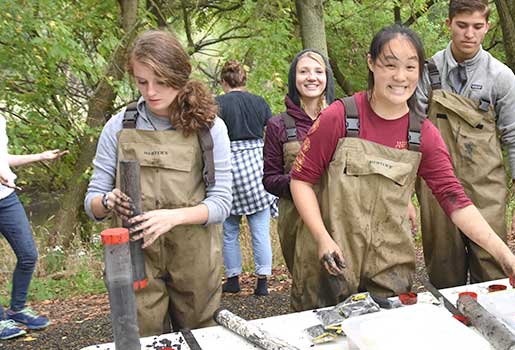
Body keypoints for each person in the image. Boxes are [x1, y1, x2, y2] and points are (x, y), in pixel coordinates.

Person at [289, 24, 515, 310]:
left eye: (410, 67)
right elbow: (301, 180)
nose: (400, 77)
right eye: (390, 65)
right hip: (330, 261)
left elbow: (456, 201)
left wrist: (506, 258)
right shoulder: (340, 117)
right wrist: (322, 238)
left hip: (389, 267)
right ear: (371, 63)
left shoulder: (422, 134)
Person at [84, 30, 232, 336]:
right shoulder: (119, 126)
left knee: (202, 338)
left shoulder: (210, 127)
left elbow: (222, 202)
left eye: (161, 81)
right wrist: (108, 201)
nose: (150, 92)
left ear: (180, 75)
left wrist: (172, 217)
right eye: (141, 82)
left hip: (195, 259)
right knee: (143, 338)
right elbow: (92, 202)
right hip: (136, 261)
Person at [413, 0, 515, 289]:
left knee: (494, 273)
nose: (469, 34)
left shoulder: (501, 77)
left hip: (485, 188)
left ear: (487, 27)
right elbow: (411, 134)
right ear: (449, 24)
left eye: (477, 26)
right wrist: (405, 196)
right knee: (444, 275)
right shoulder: (427, 71)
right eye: (462, 25)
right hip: (435, 190)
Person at [261, 49, 335, 309]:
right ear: (294, 78)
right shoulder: (278, 125)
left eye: (318, 71)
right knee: (309, 290)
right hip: (297, 220)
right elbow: (269, 179)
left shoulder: (344, 117)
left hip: (343, 213)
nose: (311, 77)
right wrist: (300, 182)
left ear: (327, 77)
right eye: (303, 71)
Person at [0, 118, 65, 340]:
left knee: (28, 255)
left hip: (6, 198)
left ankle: (16, 309)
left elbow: (3, 159)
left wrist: (40, 156)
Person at [215, 60, 275, 296]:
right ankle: (262, 283)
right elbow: (270, 136)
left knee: (229, 229)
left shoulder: (216, 104)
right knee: (260, 229)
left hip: (228, 166)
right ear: (244, 81)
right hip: (254, 168)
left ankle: (233, 279)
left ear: (223, 82)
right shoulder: (259, 102)